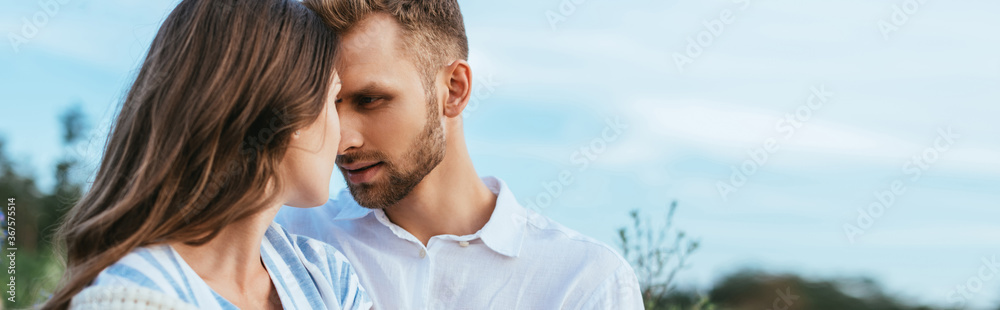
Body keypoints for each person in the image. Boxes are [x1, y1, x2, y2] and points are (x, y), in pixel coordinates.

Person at [276, 0, 643, 308]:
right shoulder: (285, 241)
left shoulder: (585, 282)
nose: (342, 141)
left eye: (370, 100)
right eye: (325, 105)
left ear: (454, 89)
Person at [43, 0, 370, 309]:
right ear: (290, 113)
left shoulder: (328, 275)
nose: (342, 135)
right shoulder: (127, 298)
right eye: (334, 99)